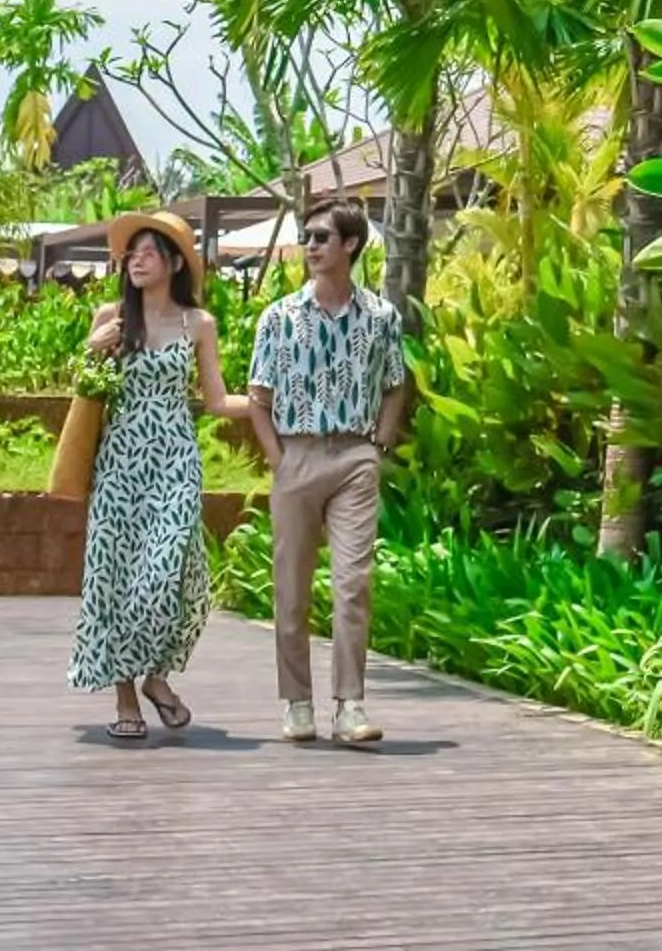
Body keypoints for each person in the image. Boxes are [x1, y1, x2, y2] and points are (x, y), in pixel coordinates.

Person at [66, 210, 252, 741]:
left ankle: (158, 677)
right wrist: (91, 349)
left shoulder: (200, 324)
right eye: (132, 252)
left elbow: (216, 401)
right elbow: (83, 386)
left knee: (174, 576)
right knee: (116, 577)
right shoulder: (110, 316)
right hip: (120, 462)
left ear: (173, 262)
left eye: (148, 251)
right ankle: (126, 697)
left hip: (175, 463)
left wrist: (268, 402)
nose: (136, 259)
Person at [248, 196, 409, 745]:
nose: (310, 246)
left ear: (351, 244)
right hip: (296, 455)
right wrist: (278, 458)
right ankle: (297, 703)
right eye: (307, 237)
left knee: (352, 583)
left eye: (321, 237)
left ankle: (350, 705)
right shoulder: (279, 317)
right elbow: (257, 398)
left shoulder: (382, 317)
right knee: (291, 587)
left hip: (353, 459)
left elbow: (395, 383)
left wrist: (379, 445)